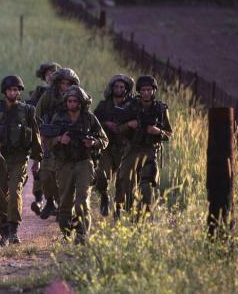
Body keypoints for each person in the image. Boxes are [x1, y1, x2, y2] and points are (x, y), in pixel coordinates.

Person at [49, 86, 108, 244]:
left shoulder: (89, 118)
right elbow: (46, 140)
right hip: (64, 164)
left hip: (84, 163)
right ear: (66, 102)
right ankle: (66, 234)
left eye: (75, 101)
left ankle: (82, 235)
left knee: (82, 200)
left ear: (81, 103)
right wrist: (59, 140)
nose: (72, 103)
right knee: (65, 202)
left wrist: (93, 142)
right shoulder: (58, 118)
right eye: (70, 101)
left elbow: (104, 140)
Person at [0, 76, 42, 246]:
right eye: (10, 90)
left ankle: (13, 230)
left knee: (14, 192)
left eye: (16, 90)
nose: (13, 92)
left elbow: (35, 134)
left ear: (19, 92)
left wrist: (37, 159)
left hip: (19, 159)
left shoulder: (27, 110)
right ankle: (4, 231)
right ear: (5, 91)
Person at [115, 75, 172, 219]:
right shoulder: (129, 107)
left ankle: (146, 217)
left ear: (154, 90)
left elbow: (169, 134)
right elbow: (118, 129)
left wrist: (158, 131)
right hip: (132, 149)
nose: (146, 93)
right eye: (143, 90)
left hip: (149, 150)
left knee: (146, 185)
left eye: (149, 90)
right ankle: (131, 214)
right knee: (126, 183)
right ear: (139, 91)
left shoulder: (160, 109)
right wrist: (129, 125)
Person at [35, 67, 80, 220]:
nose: (65, 87)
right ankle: (49, 201)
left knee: (65, 177)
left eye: (68, 83)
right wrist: (41, 134)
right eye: (62, 83)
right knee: (47, 174)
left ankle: (65, 208)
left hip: (69, 142)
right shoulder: (48, 96)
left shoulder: (77, 97)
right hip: (50, 139)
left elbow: (85, 116)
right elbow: (37, 116)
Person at [92, 74, 134, 216]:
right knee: (101, 175)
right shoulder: (104, 106)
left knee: (122, 180)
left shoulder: (132, 106)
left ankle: (118, 208)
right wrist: (106, 124)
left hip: (124, 147)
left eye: (122, 87)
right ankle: (104, 196)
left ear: (126, 89)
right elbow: (93, 123)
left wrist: (126, 126)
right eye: (116, 86)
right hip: (106, 148)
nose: (119, 89)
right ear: (112, 88)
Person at [27, 62, 61, 215]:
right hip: (44, 134)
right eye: (48, 73)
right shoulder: (41, 93)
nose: (51, 76)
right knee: (40, 167)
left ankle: (61, 203)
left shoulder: (68, 93)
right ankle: (42, 199)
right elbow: (34, 115)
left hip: (62, 135)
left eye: (53, 72)